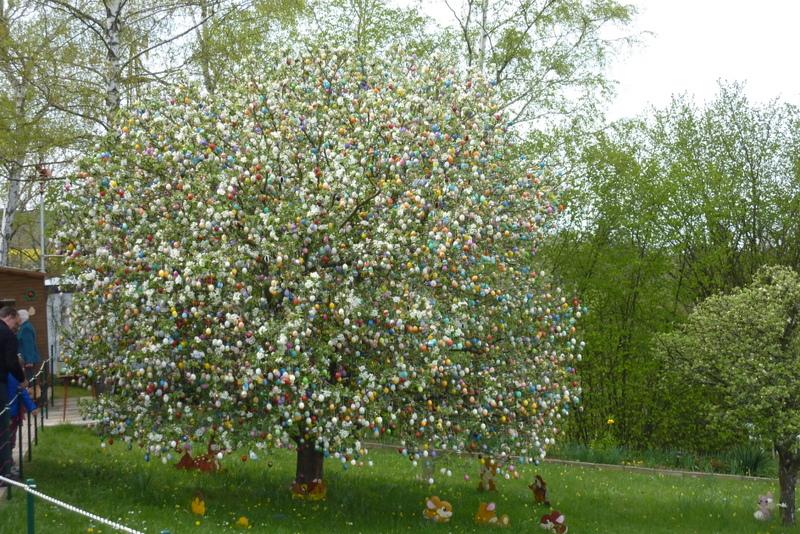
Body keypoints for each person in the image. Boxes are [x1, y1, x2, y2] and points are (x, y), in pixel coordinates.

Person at [0, 306, 26, 483]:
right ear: (10, 317)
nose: (16, 327)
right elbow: (11, 363)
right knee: (2, 429)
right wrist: (22, 380)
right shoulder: (8, 335)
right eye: (16, 323)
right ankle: (3, 474)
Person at [7, 361, 37, 479]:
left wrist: (31, 407)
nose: (24, 370)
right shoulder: (12, 377)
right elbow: (23, 393)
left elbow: (23, 393)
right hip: (9, 413)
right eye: (21, 368)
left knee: (11, 439)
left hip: (13, 414)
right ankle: (7, 463)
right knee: (8, 439)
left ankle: (8, 460)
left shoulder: (15, 377)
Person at [16, 309, 40, 383]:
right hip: (25, 358)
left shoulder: (26, 328)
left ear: (20, 318)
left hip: (27, 360)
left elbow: (28, 344)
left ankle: (31, 393)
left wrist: (29, 361)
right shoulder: (24, 326)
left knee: (29, 379)